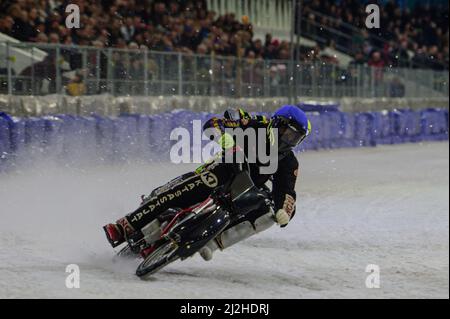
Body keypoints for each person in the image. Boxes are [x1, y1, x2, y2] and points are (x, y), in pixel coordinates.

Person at [103, 105, 311, 260]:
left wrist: (285, 212)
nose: (289, 140)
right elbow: (213, 124)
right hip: (223, 169)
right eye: (288, 133)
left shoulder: (288, 161)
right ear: (277, 124)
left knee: (267, 211)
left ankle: (212, 243)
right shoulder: (254, 123)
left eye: (296, 138)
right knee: (196, 185)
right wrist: (228, 144)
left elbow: (287, 192)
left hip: (243, 189)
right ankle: (126, 225)